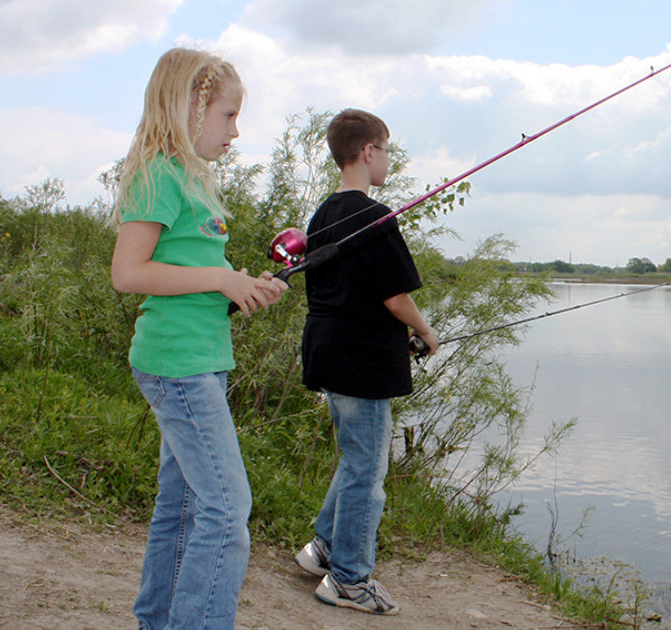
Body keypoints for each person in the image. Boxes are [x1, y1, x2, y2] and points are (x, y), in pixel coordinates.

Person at [110, 47, 287, 630]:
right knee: (227, 508)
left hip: (202, 359)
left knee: (184, 505)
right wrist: (219, 278)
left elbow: (191, 264)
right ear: (189, 107)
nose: (237, 131)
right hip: (177, 363)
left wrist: (240, 284)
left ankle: (156, 621)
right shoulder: (158, 173)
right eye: (228, 116)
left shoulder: (194, 179)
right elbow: (128, 273)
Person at [293, 108, 438, 615]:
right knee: (368, 470)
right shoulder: (375, 216)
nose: (389, 159)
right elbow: (394, 297)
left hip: (327, 351)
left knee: (355, 458)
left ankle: (326, 549)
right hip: (362, 361)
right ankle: (349, 580)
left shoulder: (322, 215)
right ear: (368, 151)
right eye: (387, 149)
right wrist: (424, 331)